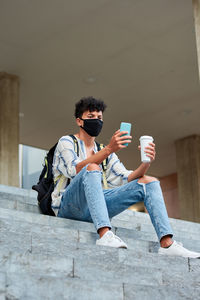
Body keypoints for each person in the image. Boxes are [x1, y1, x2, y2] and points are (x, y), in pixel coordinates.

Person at [52, 96, 200, 258]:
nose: (96, 120)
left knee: (149, 182)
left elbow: (127, 178)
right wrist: (109, 149)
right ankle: (105, 235)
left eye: (99, 117)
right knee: (91, 168)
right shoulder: (67, 142)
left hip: (94, 206)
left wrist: (146, 163)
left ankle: (167, 244)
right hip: (69, 206)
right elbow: (75, 169)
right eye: (91, 117)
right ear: (79, 121)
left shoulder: (103, 150)